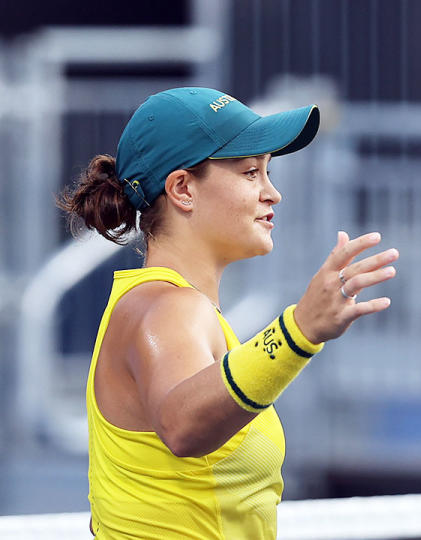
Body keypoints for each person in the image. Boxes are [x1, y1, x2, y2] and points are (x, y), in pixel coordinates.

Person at [58, 87, 399, 539]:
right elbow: (183, 426)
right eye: (250, 172)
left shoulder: (167, 306)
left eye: (268, 172)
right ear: (182, 189)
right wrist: (299, 331)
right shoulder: (167, 307)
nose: (272, 193)